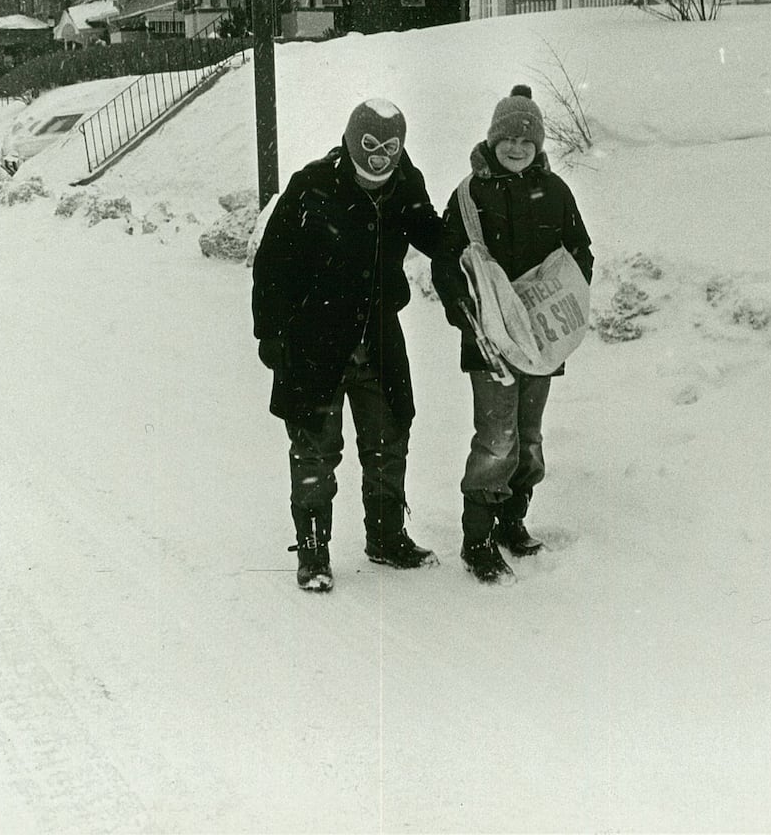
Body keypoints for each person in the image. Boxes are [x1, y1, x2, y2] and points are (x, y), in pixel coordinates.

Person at [252, 99, 444, 592]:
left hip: (377, 338)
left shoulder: (404, 185)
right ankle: (314, 552)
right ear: (350, 140)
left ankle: (386, 537)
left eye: (390, 148)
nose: (379, 158)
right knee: (315, 448)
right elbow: (273, 263)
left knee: (388, 438)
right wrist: (270, 333)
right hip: (314, 342)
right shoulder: (312, 185)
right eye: (370, 146)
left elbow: (438, 239)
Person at [433, 85, 594, 584]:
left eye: (527, 140)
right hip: (490, 344)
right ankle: (476, 539)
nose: (517, 148)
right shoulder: (469, 195)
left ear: (539, 144)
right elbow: (445, 264)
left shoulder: (557, 192)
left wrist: (560, 299)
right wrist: (471, 319)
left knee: (528, 437)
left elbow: (579, 252)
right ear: (493, 139)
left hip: (541, 344)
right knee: (496, 439)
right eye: (508, 138)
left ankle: (512, 520)